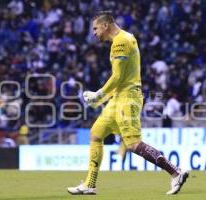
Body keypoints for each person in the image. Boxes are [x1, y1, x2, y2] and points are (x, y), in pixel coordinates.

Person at [67, 11, 189, 195]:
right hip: (118, 98)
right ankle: (90, 184)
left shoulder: (121, 41)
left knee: (133, 144)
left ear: (105, 25)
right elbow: (120, 79)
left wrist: (98, 95)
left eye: (95, 28)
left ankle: (176, 172)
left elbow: (117, 77)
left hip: (127, 99)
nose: (93, 33)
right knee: (96, 134)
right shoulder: (122, 39)